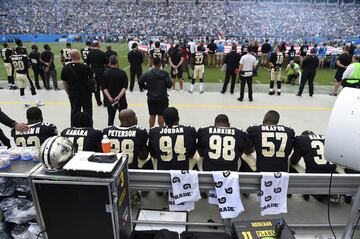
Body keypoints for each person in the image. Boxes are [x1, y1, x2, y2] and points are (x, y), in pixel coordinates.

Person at [61, 49, 93, 126]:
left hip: (73, 93)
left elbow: (64, 82)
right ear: (78, 56)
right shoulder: (85, 67)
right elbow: (92, 78)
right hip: (85, 93)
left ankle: (73, 126)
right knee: (88, 110)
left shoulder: (65, 68)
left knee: (74, 110)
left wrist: (68, 92)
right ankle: (89, 126)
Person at [139, 57, 172, 128]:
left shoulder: (148, 73)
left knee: (152, 115)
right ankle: (160, 131)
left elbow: (140, 81)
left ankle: (151, 130)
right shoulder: (164, 74)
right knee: (161, 115)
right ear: (160, 64)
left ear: (153, 63)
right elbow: (169, 85)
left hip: (151, 97)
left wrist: (147, 88)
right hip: (162, 97)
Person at [102, 55, 128, 126]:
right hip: (121, 99)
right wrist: (118, 97)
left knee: (110, 118)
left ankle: (109, 132)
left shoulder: (105, 73)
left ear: (109, 62)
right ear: (117, 62)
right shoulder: (122, 73)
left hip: (110, 100)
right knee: (124, 118)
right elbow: (124, 87)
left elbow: (104, 88)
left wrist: (109, 97)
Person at [87, 40, 108, 106]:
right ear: (98, 45)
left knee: (96, 88)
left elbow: (88, 63)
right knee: (104, 87)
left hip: (93, 72)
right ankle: (105, 102)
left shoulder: (90, 53)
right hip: (101, 71)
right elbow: (107, 62)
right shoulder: (102, 53)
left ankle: (98, 102)